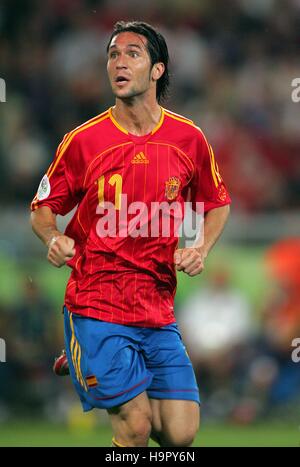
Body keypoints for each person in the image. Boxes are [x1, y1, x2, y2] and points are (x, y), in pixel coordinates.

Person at [30, 20, 231, 447]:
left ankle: (87, 359)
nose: (118, 62)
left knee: (180, 436)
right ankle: (89, 345)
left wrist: (201, 247)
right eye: (112, 54)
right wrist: (52, 236)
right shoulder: (83, 140)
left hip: (157, 307)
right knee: (135, 427)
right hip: (97, 301)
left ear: (157, 70)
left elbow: (218, 202)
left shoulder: (188, 138)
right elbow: (42, 209)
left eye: (132, 53)